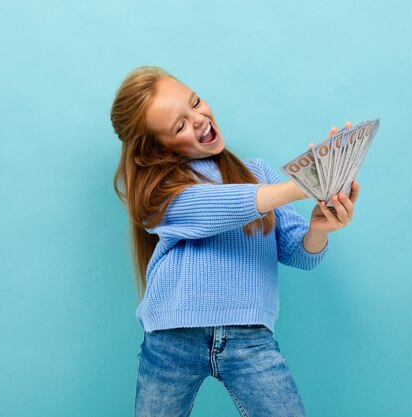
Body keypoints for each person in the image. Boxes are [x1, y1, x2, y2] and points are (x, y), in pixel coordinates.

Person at [109, 66, 359, 417]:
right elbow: (215, 207)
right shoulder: (159, 195)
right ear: (154, 150)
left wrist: (318, 229)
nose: (198, 119)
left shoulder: (259, 174)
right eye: (179, 126)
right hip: (171, 340)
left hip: (250, 339)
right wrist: (304, 183)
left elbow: (299, 254)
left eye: (195, 102)